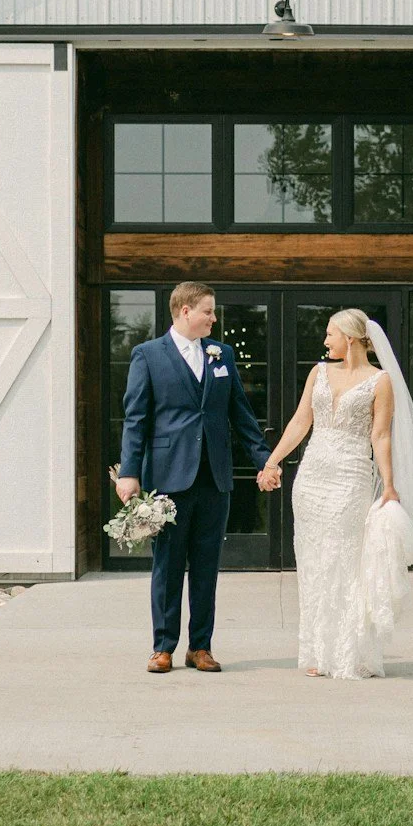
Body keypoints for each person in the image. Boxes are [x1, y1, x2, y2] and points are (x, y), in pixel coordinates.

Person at [116, 281, 276, 674]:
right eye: (208, 310)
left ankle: (199, 647)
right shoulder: (148, 355)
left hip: (214, 476)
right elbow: (136, 419)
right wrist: (129, 473)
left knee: (206, 565)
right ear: (185, 311)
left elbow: (240, 413)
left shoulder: (222, 355)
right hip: (169, 477)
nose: (214, 317)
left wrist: (264, 460)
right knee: (168, 565)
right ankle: (163, 647)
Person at [257, 307, 413, 678]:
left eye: (330, 334)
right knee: (314, 564)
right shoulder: (319, 372)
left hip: (350, 479)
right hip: (312, 479)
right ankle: (317, 652)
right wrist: (273, 461)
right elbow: (301, 420)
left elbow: (380, 436)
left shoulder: (379, 381)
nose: (325, 341)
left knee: (344, 564)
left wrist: (390, 485)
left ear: (349, 338)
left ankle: (347, 652)